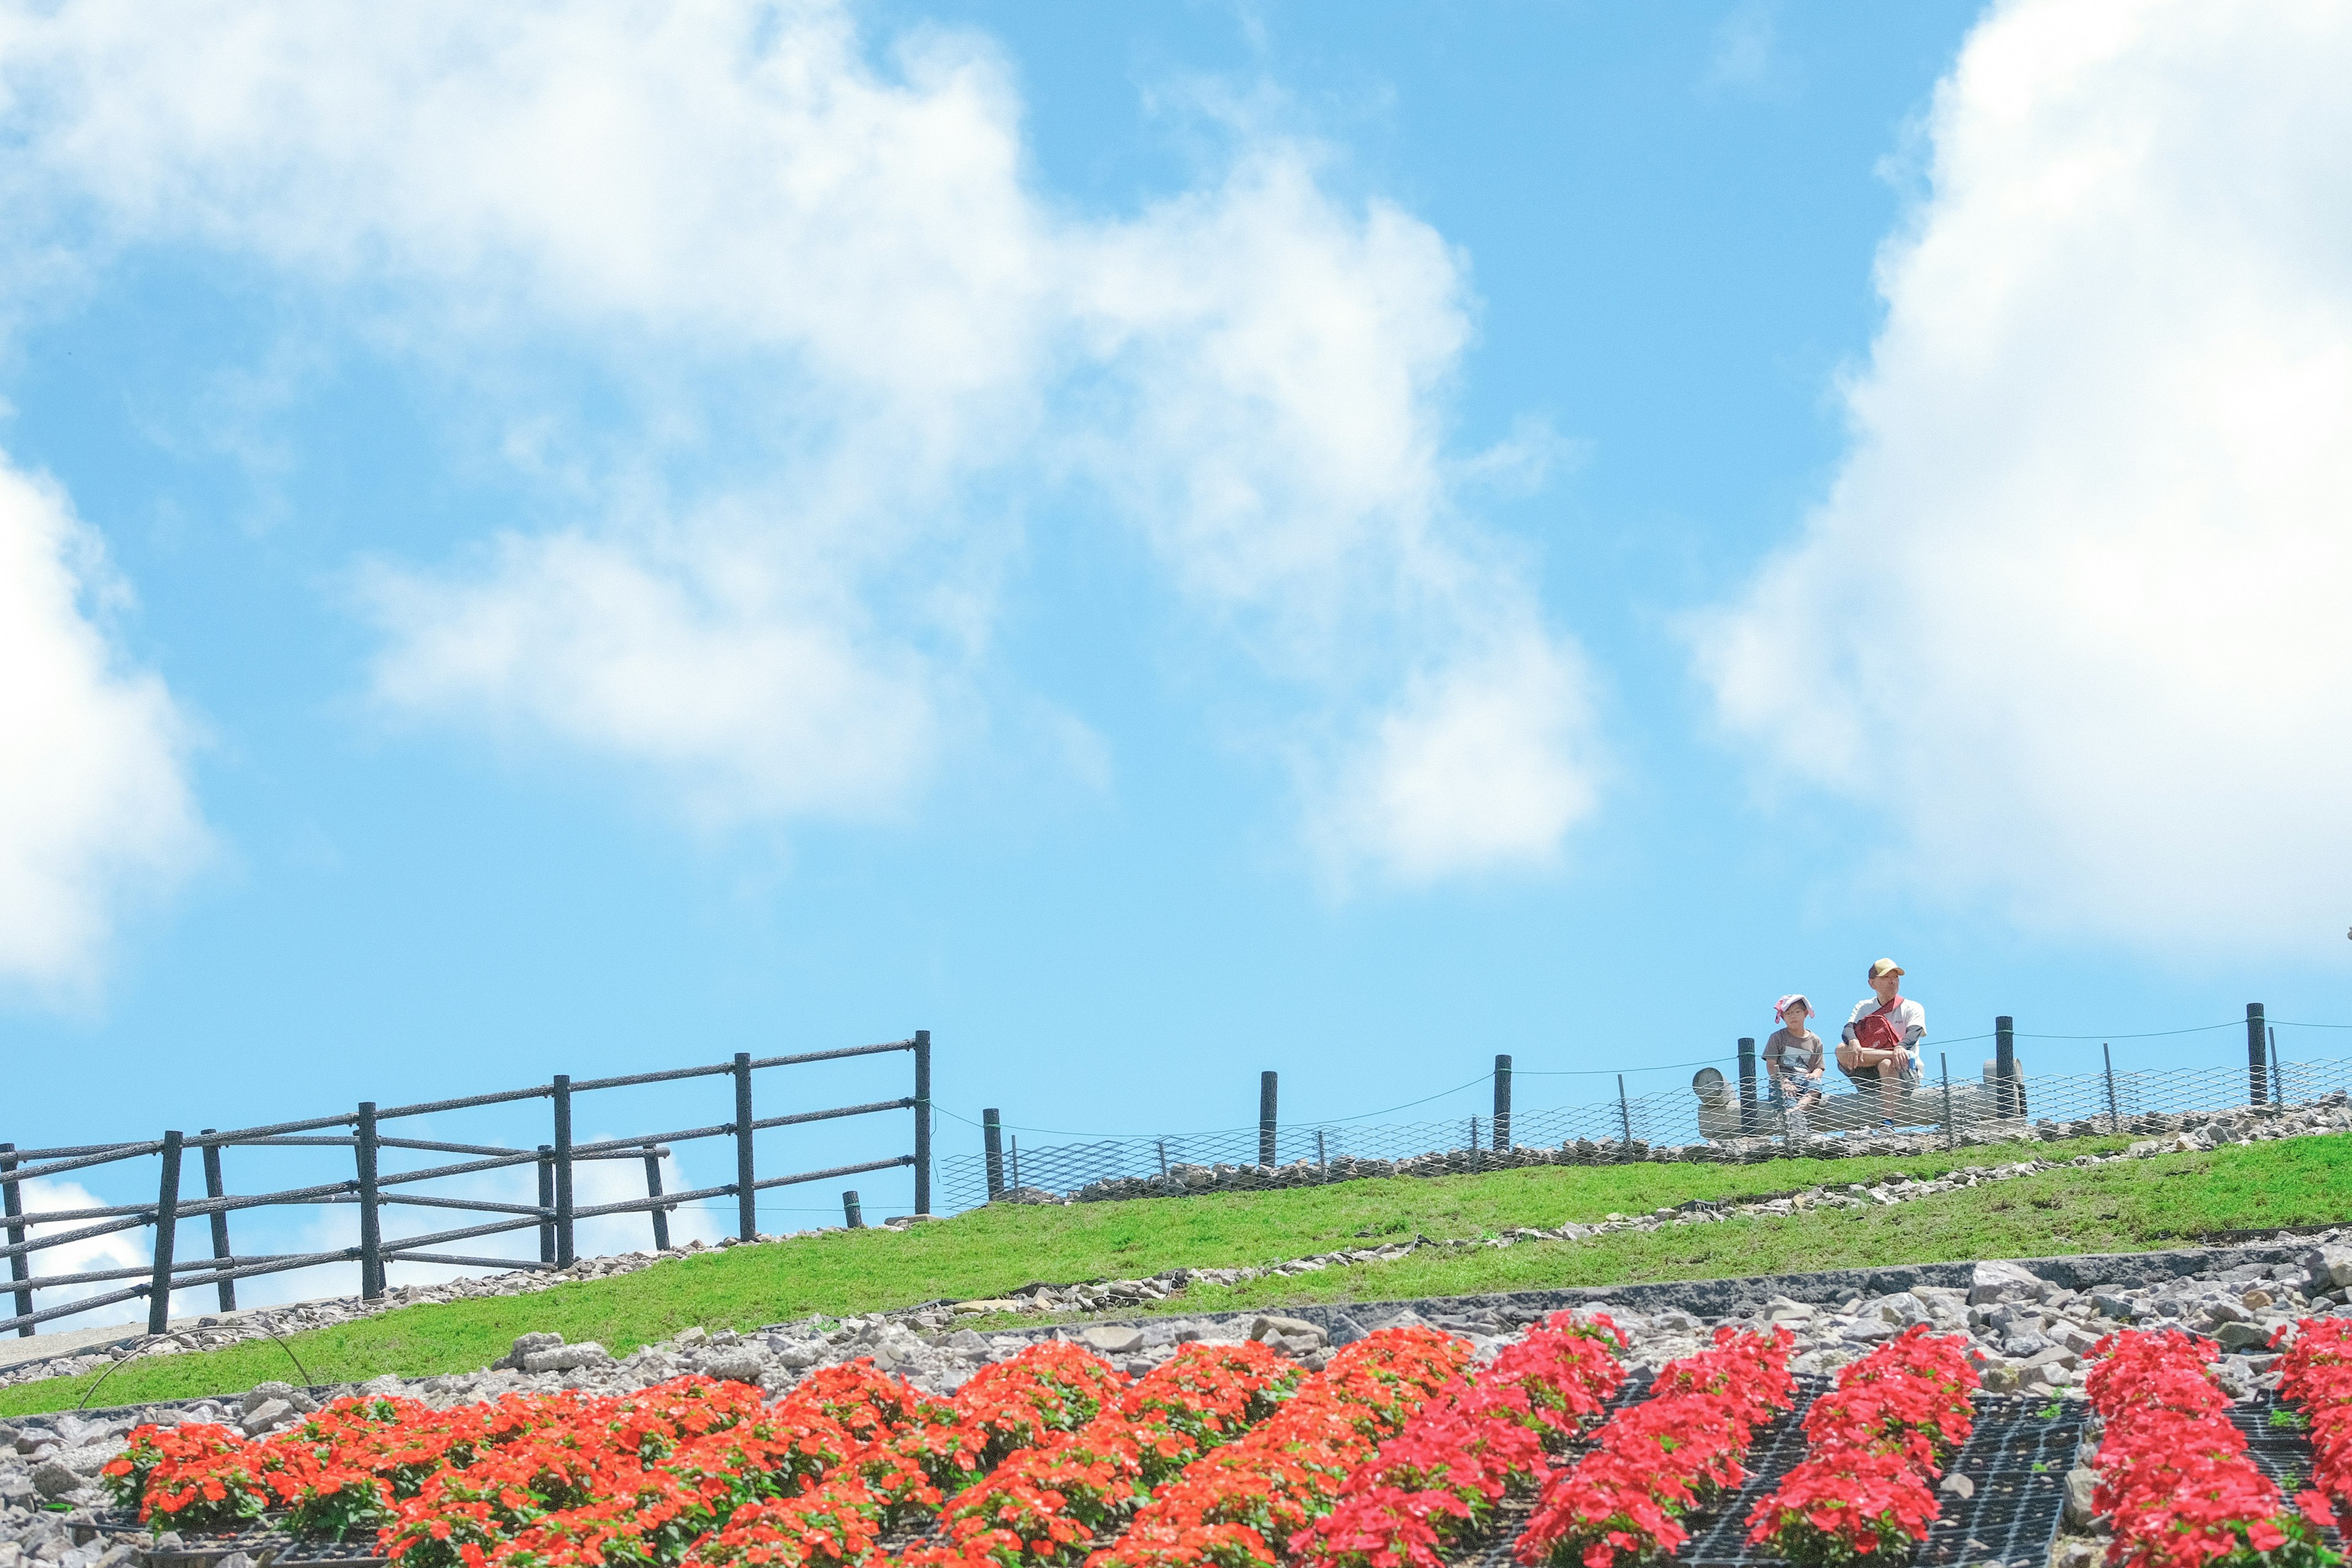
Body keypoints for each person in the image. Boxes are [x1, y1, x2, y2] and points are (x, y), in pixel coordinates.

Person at [1840, 959, 1924, 1123]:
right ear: (1872, 983)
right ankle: (1888, 1057)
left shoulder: (1912, 1007)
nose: (1893, 981)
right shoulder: (1864, 1007)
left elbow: (1915, 1032)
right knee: (1841, 1049)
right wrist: (1854, 1041)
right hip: (1870, 1069)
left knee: (1887, 1063)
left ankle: (1887, 1123)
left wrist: (1901, 1047)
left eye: (1896, 977)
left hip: (1904, 1069)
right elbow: (1848, 1029)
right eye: (1886, 977)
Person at [1762, 995, 1826, 1136]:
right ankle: (1795, 1126)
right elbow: (1771, 1065)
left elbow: (1819, 1066)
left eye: (1797, 1012)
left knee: (1816, 1087)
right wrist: (1783, 1081)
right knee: (1785, 1095)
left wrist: (1815, 1075)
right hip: (1783, 1079)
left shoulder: (1815, 1040)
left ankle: (1795, 1112)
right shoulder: (1777, 1038)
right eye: (1788, 1013)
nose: (1793, 1016)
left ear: (1805, 1013)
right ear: (1783, 1017)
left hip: (1804, 1078)